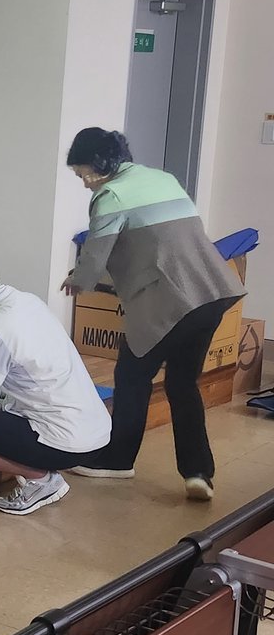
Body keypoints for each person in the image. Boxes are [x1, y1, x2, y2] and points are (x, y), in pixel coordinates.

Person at [61, 128, 244, 501]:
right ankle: (198, 473)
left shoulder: (111, 195)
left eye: (83, 174)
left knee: (132, 376)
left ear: (100, 164)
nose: (84, 183)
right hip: (211, 293)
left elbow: (95, 257)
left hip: (170, 302)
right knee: (182, 383)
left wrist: (78, 280)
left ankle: (118, 461)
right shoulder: (162, 179)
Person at [0, 252, 111, 515]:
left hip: (65, 440)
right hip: (97, 432)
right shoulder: (27, 301)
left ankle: (41, 479)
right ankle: (41, 474)